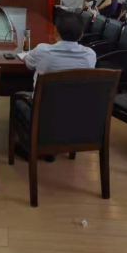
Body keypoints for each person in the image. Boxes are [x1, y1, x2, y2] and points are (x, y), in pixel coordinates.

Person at [18, 13, 97, 163]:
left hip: (43, 112)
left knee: (19, 101)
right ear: (81, 35)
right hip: (76, 112)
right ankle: (54, 144)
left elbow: (28, 63)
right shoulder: (90, 55)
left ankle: (30, 147)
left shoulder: (43, 51)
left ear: (56, 32)